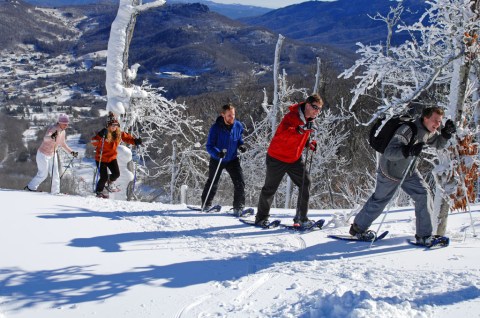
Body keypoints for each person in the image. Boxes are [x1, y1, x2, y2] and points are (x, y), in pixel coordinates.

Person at [349, 106, 456, 246]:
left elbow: (438, 144)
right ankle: (358, 228)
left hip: (409, 171)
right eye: (435, 120)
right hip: (390, 171)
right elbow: (389, 152)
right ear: (426, 118)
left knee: (423, 194)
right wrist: (408, 150)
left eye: (440, 121)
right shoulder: (408, 130)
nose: (438, 124)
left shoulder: (428, 130)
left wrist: (446, 134)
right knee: (380, 200)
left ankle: (424, 236)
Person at [254, 94, 323, 227]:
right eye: (315, 107)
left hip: (294, 159)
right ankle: (261, 218)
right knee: (270, 189)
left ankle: (301, 218)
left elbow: (302, 135)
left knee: (306, 183)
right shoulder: (291, 117)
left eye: (319, 109)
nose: (317, 111)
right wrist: (299, 130)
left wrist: (308, 144)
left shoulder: (310, 120)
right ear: (307, 105)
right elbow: (283, 134)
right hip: (277, 158)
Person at [201, 103, 246, 214]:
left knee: (240, 182)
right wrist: (217, 153)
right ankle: (206, 204)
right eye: (229, 115)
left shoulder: (238, 125)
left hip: (232, 159)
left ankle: (238, 207)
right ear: (223, 115)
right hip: (218, 159)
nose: (232, 117)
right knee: (213, 182)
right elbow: (209, 146)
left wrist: (241, 145)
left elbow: (239, 139)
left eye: (233, 115)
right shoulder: (216, 128)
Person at [91, 113, 142, 198]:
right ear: (108, 125)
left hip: (111, 158)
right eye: (112, 125)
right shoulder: (104, 133)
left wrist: (135, 141)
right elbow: (93, 142)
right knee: (103, 178)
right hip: (101, 158)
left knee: (116, 174)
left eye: (116, 125)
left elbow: (127, 138)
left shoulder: (119, 134)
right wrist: (100, 135)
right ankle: (98, 191)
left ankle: (110, 183)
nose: (114, 127)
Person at [25, 113, 78, 194]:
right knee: (43, 174)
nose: (66, 126)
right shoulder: (53, 128)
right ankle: (30, 187)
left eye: (67, 124)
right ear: (60, 122)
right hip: (43, 154)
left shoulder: (63, 132)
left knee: (55, 174)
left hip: (52, 154)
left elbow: (63, 144)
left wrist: (72, 152)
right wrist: (52, 136)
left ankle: (55, 192)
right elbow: (45, 138)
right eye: (65, 124)